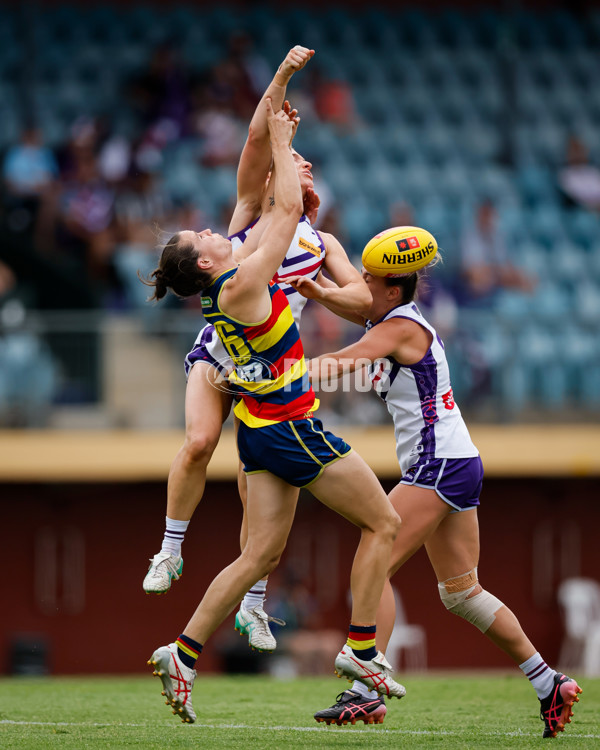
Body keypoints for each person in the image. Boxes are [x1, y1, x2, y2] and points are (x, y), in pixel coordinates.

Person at [144, 99, 405, 724]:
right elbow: (281, 209)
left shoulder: (226, 284)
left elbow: (274, 205)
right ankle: (363, 650)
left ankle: (182, 654)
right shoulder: (240, 282)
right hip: (290, 429)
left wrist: (280, 150)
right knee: (386, 524)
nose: (212, 230)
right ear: (205, 263)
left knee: (256, 557)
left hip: (261, 432)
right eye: (202, 237)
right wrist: (285, 147)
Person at [300, 259, 582, 737]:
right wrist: (316, 277)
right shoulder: (393, 316)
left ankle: (366, 690)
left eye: (369, 280)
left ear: (392, 291)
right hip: (455, 461)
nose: (360, 285)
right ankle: (547, 682)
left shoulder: (399, 327)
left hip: (439, 464)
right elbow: (352, 305)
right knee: (462, 593)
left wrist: (269, 376)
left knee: (375, 562)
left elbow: (341, 364)